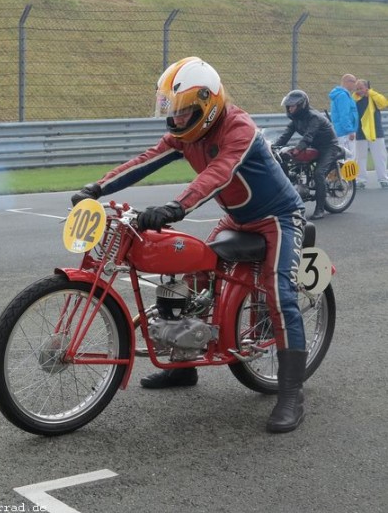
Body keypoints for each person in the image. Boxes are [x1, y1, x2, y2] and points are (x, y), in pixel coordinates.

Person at [71, 57, 308, 433]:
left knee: (280, 296)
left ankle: (292, 393)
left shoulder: (238, 128)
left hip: (277, 217)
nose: (176, 120)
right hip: (236, 218)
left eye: (184, 112)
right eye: (172, 111)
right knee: (192, 277)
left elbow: (219, 173)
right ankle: (183, 367)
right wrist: (98, 187)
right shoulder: (186, 135)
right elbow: (147, 160)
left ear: (208, 105)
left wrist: (175, 207)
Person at [272, 90, 340, 220]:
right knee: (290, 162)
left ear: (301, 106)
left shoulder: (314, 117)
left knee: (319, 173)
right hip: (314, 146)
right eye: (289, 106)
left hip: (329, 147)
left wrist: (298, 148)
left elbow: (308, 136)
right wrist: (272, 147)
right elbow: (285, 136)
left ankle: (320, 209)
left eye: (292, 106)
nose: (290, 108)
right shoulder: (296, 119)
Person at [352, 79, 388, 189]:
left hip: (375, 132)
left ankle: (383, 179)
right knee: (360, 158)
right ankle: (361, 180)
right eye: (357, 88)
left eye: (360, 88)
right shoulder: (354, 98)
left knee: (380, 157)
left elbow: (383, 103)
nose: (358, 91)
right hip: (360, 132)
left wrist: (371, 93)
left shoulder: (373, 97)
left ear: (367, 88)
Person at [329, 74, 358, 154]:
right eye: (353, 82)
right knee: (349, 159)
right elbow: (344, 115)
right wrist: (350, 130)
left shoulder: (341, 95)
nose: (355, 84)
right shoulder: (343, 96)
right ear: (347, 82)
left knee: (344, 159)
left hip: (342, 132)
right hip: (345, 133)